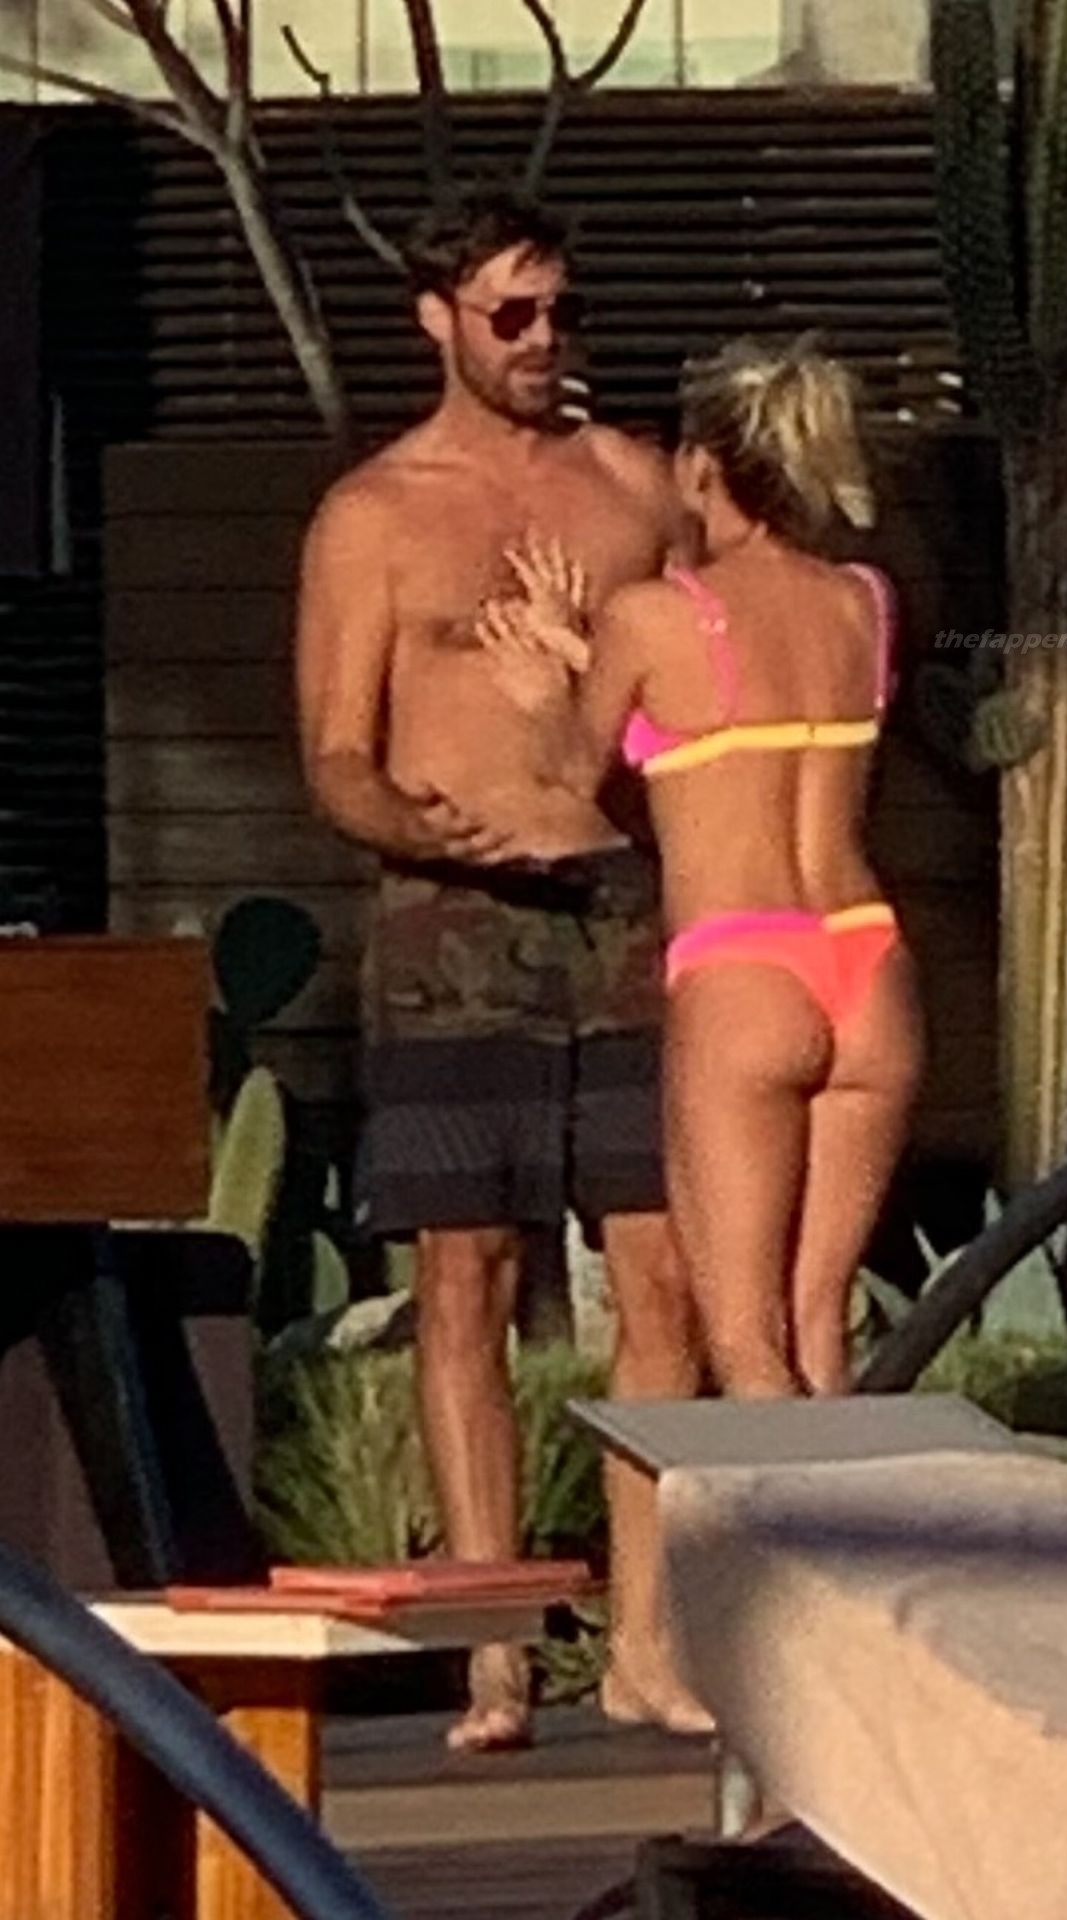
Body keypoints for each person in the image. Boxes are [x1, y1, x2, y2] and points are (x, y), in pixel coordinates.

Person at [295, 186, 708, 1749]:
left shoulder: (634, 487)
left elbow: (714, 683)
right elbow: (335, 753)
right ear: (439, 321)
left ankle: (645, 1638)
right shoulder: (374, 515)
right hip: (449, 920)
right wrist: (424, 826)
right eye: (511, 315)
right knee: (463, 1273)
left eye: (561, 311)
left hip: (623, 904)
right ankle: (493, 1650)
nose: (543, 341)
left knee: (659, 1266)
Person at [480, 337, 925, 1398]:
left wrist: (545, 690)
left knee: (745, 1343)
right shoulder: (863, 601)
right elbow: (726, 742)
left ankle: (768, 1515)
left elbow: (576, 776)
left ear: (697, 468)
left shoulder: (654, 613)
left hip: (742, 964)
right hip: (867, 960)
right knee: (820, 1329)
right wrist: (589, 656)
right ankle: (851, 1509)